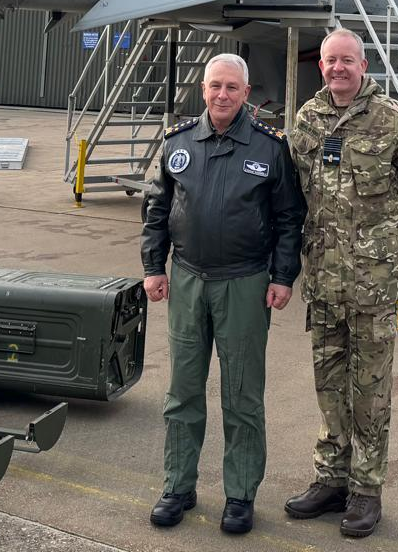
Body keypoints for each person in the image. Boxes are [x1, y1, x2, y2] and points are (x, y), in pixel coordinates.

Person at [141, 52, 306, 535]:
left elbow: (288, 218)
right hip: (188, 279)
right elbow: (156, 209)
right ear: (204, 89)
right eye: (215, 85)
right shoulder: (177, 142)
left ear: (246, 93)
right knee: (182, 392)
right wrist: (153, 267)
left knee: (242, 395)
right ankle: (178, 486)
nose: (222, 94)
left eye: (232, 87)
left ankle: (240, 494)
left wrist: (283, 276)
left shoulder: (270, 148)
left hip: (245, 282)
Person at [283, 28, 398, 539]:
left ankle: (367, 490)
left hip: (373, 285)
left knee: (370, 391)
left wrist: (382, 232)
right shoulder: (308, 118)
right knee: (329, 385)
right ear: (321, 66)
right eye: (331, 60)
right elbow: (297, 189)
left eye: (347, 60)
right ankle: (331, 479)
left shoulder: (391, 118)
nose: (338, 68)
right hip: (324, 281)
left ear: (363, 65)